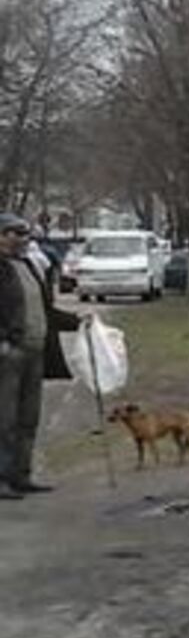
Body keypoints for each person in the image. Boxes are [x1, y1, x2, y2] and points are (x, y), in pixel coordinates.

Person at [0, 213, 82, 499]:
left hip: (35, 352)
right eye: (15, 233)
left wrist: (79, 322)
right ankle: (2, 479)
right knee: (4, 420)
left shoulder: (28, 266)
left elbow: (45, 311)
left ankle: (21, 475)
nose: (22, 239)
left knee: (28, 418)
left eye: (25, 234)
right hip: (9, 355)